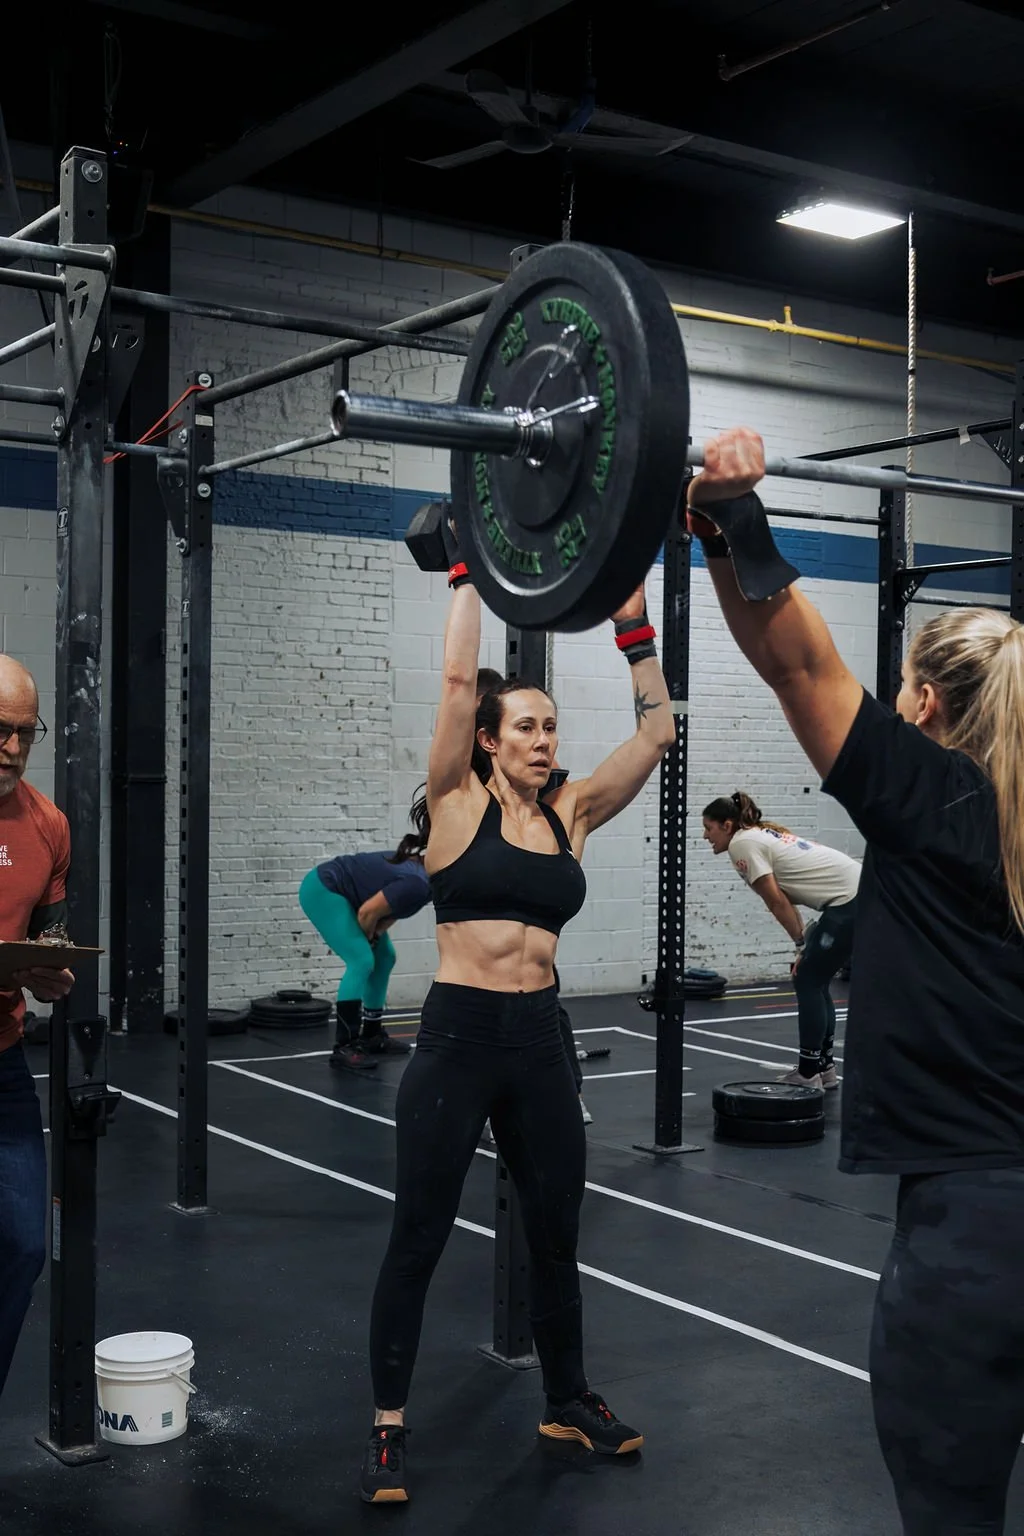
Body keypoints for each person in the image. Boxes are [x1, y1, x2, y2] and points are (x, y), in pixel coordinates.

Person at [688, 426, 1024, 1536]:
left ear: (923, 704)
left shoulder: (931, 802)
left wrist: (740, 514)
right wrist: (712, 535)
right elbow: (780, 655)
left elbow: (797, 665)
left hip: (970, 1235)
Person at [359, 522, 676, 1503]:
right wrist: (464, 568)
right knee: (418, 1233)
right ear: (491, 743)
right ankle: (388, 1427)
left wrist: (635, 633)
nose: (545, 740)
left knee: (554, 1232)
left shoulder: (570, 812)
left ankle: (567, 1397)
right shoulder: (456, 804)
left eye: (550, 727)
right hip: (458, 1039)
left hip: (540, 1043)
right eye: (527, 728)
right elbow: (458, 687)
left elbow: (659, 734)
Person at [0, 655, 75, 1401]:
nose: (12, 749)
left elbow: (50, 940)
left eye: (26, 732)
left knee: (23, 1245)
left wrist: (52, 975)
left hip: (2, 1062)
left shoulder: (47, 822)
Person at [701, 790, 860, 1087]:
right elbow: (785, 900)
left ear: (727, 825)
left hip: (849, 901)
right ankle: (823, 1069)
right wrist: (803, 943)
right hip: (854, 897)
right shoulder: (757, 835)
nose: (705, 836)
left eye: (709, 828)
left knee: (808, 979)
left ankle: (808, 1072)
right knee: (817, 979)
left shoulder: (742, 843)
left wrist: (801, 945)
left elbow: (776, 902)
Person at [298, 795, 431, 1073]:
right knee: (361, 961)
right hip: (324, 889)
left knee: (385, 958)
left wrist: (376, 936)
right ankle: (345, 1046)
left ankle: (371, 1034)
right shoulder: (418, 882)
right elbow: (367, 914)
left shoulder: (426, 883)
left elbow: (388, 911)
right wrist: (368, 939)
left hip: (355, 900)